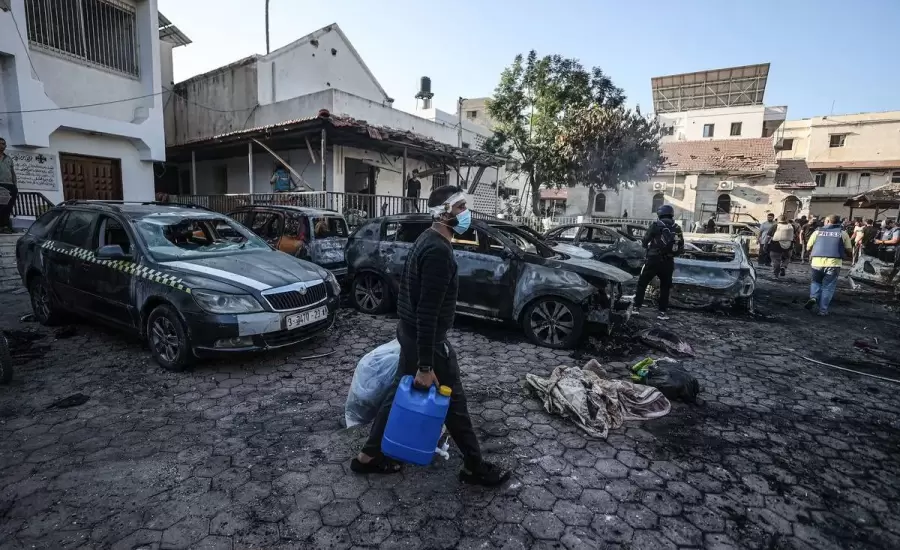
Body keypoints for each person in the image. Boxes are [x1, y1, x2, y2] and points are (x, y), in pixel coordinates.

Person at [351, 185, 511, 487]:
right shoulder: (438, 250)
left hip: (413, 337)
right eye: (460, 208)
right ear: (443, 213)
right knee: (455, 403)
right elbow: (427, 311)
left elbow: (411, 297)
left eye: (466, 206)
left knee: (397, 394)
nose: (466, 214)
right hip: (427, 342)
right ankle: (475, 467)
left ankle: (369, 456)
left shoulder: (427, 239)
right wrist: (426, 365)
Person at [633, 204, 684, 320]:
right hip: (668, 261)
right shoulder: (677, 228)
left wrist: (648, 247)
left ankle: (636, 308)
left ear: (660, 214)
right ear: (671, 214)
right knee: (665, 287)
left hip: (653, 259)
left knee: (642, 283)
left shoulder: (656, 225)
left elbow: (645, 241)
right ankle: (662, 313)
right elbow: (681, 246)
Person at [805, 214, 852, 316]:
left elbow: (808, 247)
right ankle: (823, 310)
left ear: (827, 221)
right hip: (834, 263)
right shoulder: (843, 233)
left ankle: (813, 297)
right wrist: (849, 256)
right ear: (839, 222)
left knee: (816, 282)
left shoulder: (817, 232)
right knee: (828, 287)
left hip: (816, 262)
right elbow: (849, 249)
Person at [0, 137, 17, 234]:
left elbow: (12, 173)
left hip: (10, 185)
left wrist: (15, 186)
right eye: (1, 143)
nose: (3, 146)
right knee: (1, 206)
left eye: (4, 144)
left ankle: (4, 226)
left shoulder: (8, 158)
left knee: (8, 206)